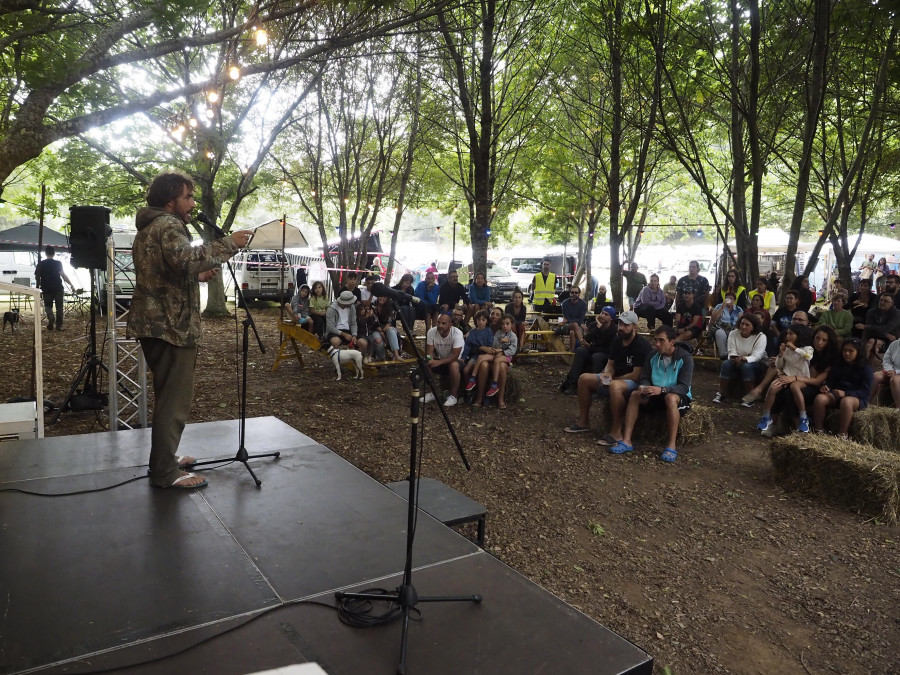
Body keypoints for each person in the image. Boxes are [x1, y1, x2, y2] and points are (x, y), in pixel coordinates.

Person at [128, 171, 253, 489]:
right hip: (171, 326)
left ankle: (165, 459)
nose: (193, 202)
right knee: (174, 400)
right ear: (170, 200)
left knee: (167, 395)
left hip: (155, 323)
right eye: (188, 196)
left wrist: (193, 278)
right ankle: (165, 473)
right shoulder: (168, 224)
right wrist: (230, 243)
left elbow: (164, 270)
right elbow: (184, 258)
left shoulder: (148, 227)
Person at [608, 325, 694, 463]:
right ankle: (626, 440)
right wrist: (645, 387)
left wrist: (663, 389)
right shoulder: (652, 356)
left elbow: (684, 387)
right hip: (655, 393)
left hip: (675, 395)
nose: (657, 344)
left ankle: (671, 446)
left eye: (661, 341)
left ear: (672, 342)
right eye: (656, 340)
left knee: (670, 398)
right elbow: (644, 376)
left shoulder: (685, 358)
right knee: (635, 395)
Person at [564, 311, 650, 442]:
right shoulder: (617, 340)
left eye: (626, 325)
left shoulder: (642, 345)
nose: (621, 327)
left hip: (633, 382)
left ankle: (616, 432)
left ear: (634, 327)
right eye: (620, 324)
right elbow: (610, 364)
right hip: (616, 378)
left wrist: (613, 380)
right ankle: (583, 422)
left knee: (615, 386)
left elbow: (636, 375)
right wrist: (607, 374)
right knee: (584, 379)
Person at [757, 325, 840, 436]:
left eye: (824, 340)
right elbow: (783, 364)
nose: (819, 342)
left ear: (829, 342)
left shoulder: (830, 357)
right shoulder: (804, 348)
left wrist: (793, 378)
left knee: (789, 392)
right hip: (797, 381)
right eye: (817, 338)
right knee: (778, 387)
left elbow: (816, 381)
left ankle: (799, 428)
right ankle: (773, 423)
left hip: (817, 386)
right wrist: (781, 371)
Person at [810, 338, 873, 438]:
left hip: (856, 398)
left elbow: (865, 391)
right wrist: (827, 387)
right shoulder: (838, 364)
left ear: (858, 352)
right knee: (820, 399)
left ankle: (842, 434)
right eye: (845, 350)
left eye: (851, 351)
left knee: (846, 401)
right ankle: (818, 430)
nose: (847, 353)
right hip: (837, 394)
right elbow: (831, 382)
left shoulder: (866, 368)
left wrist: (846, 393)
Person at [755, 324, 814, 430]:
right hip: (787, 376)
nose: (788, 336)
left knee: (795, 388)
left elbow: (808, 356)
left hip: (801, 377)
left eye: (791, 334)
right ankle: (766, 416)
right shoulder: (787, 350)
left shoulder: (807, 348)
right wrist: (781, 355)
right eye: (787, 333)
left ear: (799, 335)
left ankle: (803, 416)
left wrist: (794, 348)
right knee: (773, 387)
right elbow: (779, 365)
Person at [559, 305, 618, 394]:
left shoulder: (614, 329)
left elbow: (609, 349)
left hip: (604, 352)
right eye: (602, 313)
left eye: (606, 314)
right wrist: (598, 328)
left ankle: (596, 386)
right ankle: (573, 384)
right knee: (580, 351)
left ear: (611, 318)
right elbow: (586, 339)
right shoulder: (593, 325)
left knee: (597, 357)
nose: (603, 316)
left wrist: (591, 347)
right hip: (594, 349)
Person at [712, 313, 767, 403]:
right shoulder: (733, 334)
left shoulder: (760, 337)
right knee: (726, 364)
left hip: (755, 362)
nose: (743, 327)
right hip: (736, 359)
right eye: (742, 324)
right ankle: (721, 393)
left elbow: (757, 356)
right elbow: (731, 350)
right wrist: (735, 358)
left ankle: (750, 396)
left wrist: (743, 359)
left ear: (753, 327)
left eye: (747, 325)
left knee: (746, 367)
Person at [474, 313, 518, 407]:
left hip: (505, 357)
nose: (505, 326)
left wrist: (502, 350)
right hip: (494, 355)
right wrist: (500, 341)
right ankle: (479, 396)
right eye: (503, 324)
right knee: (485, 361)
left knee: (500, 364)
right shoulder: (498, 333)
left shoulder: (513, 336)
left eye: (507, 324)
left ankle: (496, 390)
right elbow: (494, 345)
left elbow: (513, 349)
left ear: (512, 324)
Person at [423, 312, 464, 406]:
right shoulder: (431, 332)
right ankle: (431, 392)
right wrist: (430, 360)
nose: (440, 325)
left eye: (444, 323)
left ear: (450, 325)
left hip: (458, 361)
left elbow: (455, 356)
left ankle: (454, 396)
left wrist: (438, 362)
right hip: (442, 360)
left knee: (453, 365)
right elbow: (429, 352)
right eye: (438, 322)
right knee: (426, 364)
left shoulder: (457, 333)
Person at [34, 245, 75, 331]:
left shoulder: (41, 263)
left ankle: (51, 317)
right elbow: (63, 275)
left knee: (48, 306)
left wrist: (39, 285)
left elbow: (37, 277)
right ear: (54, 253)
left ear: (45, 253)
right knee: (59, 307)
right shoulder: (58, 263)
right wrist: (71, 284)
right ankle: (58, 326)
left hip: (46, 288)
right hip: (58, 288)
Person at [462, 310, 495, 393]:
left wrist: (485, 348)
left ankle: (480, 388)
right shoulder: (472, 332)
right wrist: (463, 357)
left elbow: (490, 345)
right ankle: (469, 389)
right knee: (466, 370)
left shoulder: (488, 331)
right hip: (475, 356)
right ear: (475, 320)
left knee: (482, 368)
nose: (480, 322)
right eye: (478, 319)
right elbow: (468, 345)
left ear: (487, 321)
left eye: (483, 320)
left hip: (485, 355)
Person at [863, 292, 900, 362]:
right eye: (881, 300)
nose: (882, 302)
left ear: (892, 304)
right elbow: (869, 330)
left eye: (885, 301)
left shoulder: (897, 313)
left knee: (871, 342)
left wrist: (869, 327)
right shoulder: (871, 312)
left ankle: (862, 366)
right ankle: (869, 371)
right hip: (875, 339)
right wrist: (886, 334)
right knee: (873, 350)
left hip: (891, 341)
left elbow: (887, 328)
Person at [709, 291, 744, 357]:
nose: (729, 300)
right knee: (720, 333)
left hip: (734, 328)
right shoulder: (719, 306)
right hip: (721, 327)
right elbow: (714, 318)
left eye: (731, 298)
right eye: (727, 298)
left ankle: (734, 354)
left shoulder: (738, 309)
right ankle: (724, 355)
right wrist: (722, 308)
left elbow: (741, 321)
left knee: (736, 333)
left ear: (734, 300)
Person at [870, 338, 900, 409]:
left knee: (894, 380)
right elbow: (886, 359)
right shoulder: (894, 344)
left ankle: (898, 408)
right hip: (892, 370)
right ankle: (865, 403)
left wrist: (896, 372)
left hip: (897, 372)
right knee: (876, 376)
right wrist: (889, 369)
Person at [557, 285, 588, 351]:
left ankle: (572, 353)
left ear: (579, 294)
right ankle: (582, 342)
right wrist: (579, 323)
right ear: (570, 293)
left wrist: (577, 322)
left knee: (572, 332)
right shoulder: (565, 303)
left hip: (578, 326)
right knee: (574, 324)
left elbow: (581, 318)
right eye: (572, 292)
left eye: (576, 292)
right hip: (567, 325)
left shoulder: (583, 304)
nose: (574, 294)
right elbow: (566, 318)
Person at [373, 295, 402, 360]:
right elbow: (374, 321)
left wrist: (384, 331)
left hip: (388, 327)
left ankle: (396, 355)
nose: (382, 298)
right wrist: (381, 332)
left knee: (390, 330)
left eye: (384, 297)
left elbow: (391, 321)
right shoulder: (373, 306)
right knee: (378, 340)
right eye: (381, 296)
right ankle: (382, 358)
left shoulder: (390, 306)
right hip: (376, 329)